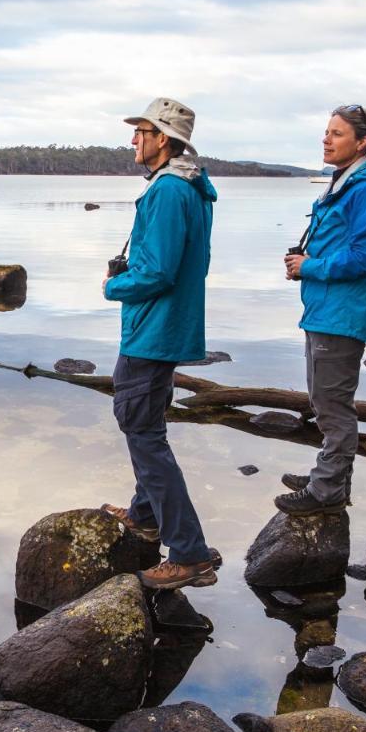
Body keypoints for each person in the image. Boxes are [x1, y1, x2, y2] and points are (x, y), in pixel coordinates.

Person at [101, 97, 218, 589]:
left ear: (163, 139)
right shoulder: (186, 186)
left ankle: (189, 553)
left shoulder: (169, 191)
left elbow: (160, 271)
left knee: (141, 429)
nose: (133, 139)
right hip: (164, 328)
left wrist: (115, 286)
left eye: (141, 131)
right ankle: (144, 515)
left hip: (153, 329)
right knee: (144, 424)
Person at [274, 105, 366, 515]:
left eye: (337, 133)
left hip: (342, 314)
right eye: (326, 132)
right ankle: (330, 477)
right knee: (323, 401)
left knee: (332, 405)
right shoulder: (344, 183)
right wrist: (306, 262)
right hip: (325, 309)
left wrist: (313, 266)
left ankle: (326, 491)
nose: (326, 139)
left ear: (362, 142)